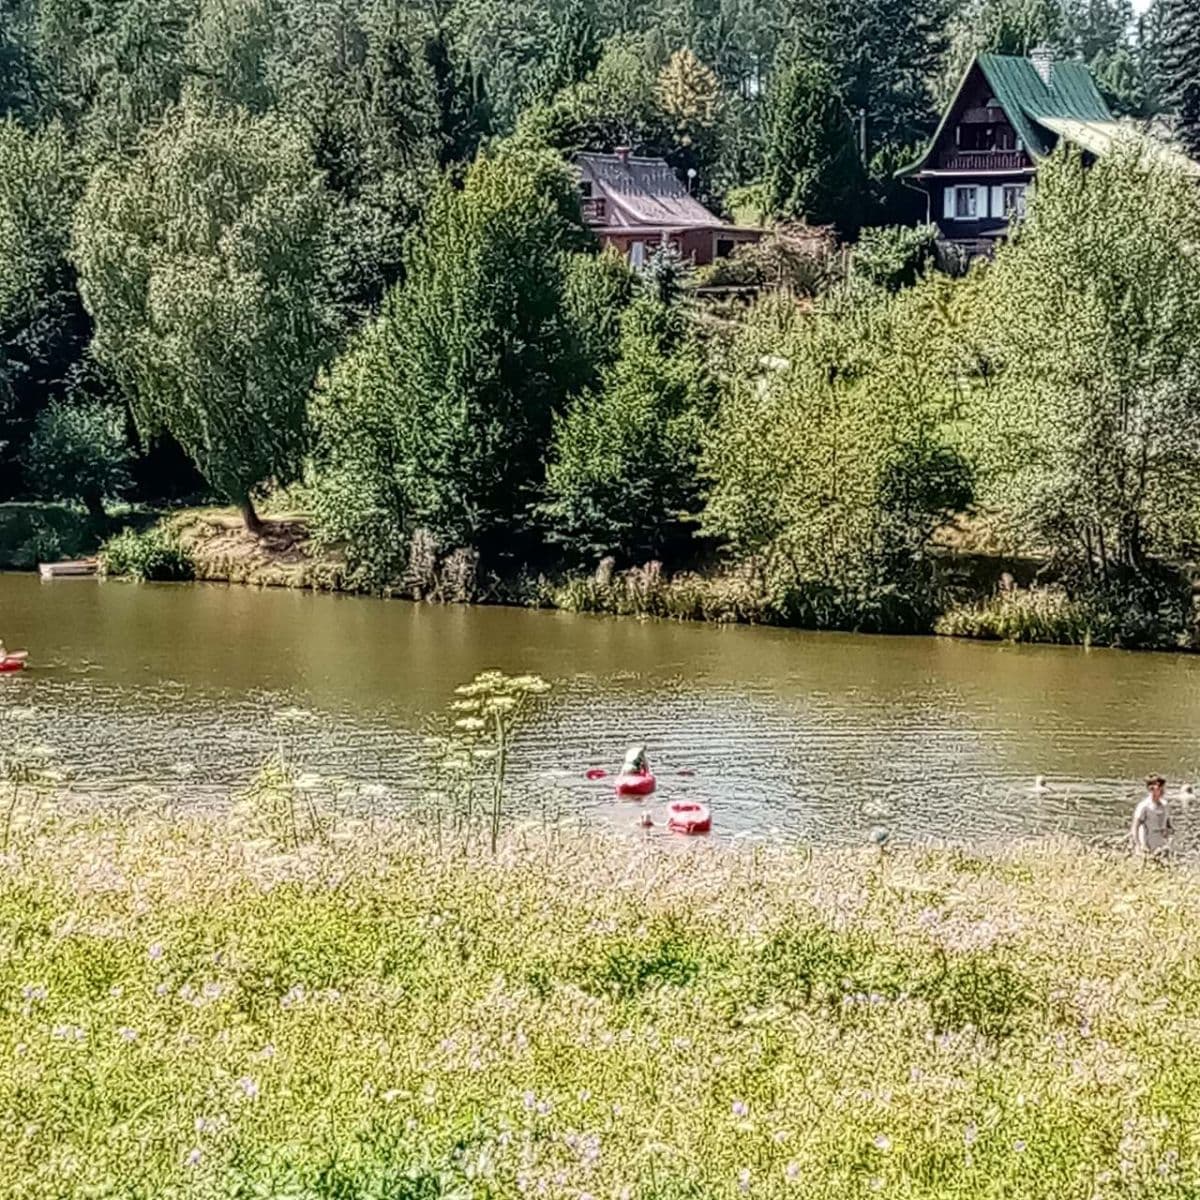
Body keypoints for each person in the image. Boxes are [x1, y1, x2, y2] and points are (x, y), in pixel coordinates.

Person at [1130, 774, 1174, 861]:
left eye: (1163, 787)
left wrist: (1170, 834)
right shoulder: (1144, 806)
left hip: (1162, 843)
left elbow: (1168, 824)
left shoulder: (1165, 805)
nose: (1162, 790)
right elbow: (1135, 827)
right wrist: (1139, 845)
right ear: (1151, 789)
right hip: (1147, 843)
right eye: (1159, 787)